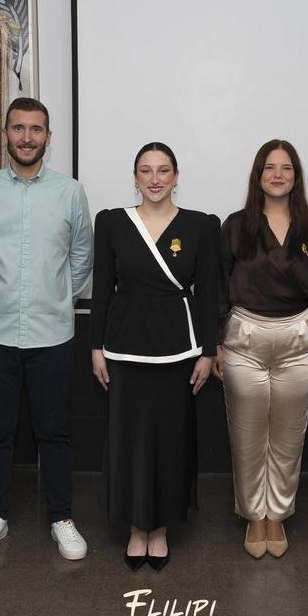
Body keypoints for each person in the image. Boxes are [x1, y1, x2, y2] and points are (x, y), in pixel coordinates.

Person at [0, 98, 93, 561]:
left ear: (48, 138)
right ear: (5, 134)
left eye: (36, 129)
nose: (27, 137)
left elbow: (81, 257)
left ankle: (61, 518)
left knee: (53, 432)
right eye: (19, 128)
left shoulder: (71, 192)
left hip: (52, 332)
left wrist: (57, 298)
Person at [89, 142, 219, 571]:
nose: (155, 178)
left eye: (164, 170)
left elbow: (208, 297)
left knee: (170, 438)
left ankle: (160, 526)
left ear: (177, 176)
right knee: (129, 438)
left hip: (179, 350)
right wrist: (95, 347)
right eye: (146, 170)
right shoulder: (111, 223)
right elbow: (103, 289)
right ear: (135, 177)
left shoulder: (201, 226)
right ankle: (135, 527)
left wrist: (207, 352)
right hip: (124, 347)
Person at [215, 139, 308, 559]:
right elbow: (219, 286)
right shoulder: (235, 225)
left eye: (286, 168)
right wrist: (217, 342)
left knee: (287, 434)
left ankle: (276, 515)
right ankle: (253, 515)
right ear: (257, 175)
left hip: (299, 339)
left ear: (296, 177)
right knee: (246, 434)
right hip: (244, 336)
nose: (277, 174)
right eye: (269, 167)